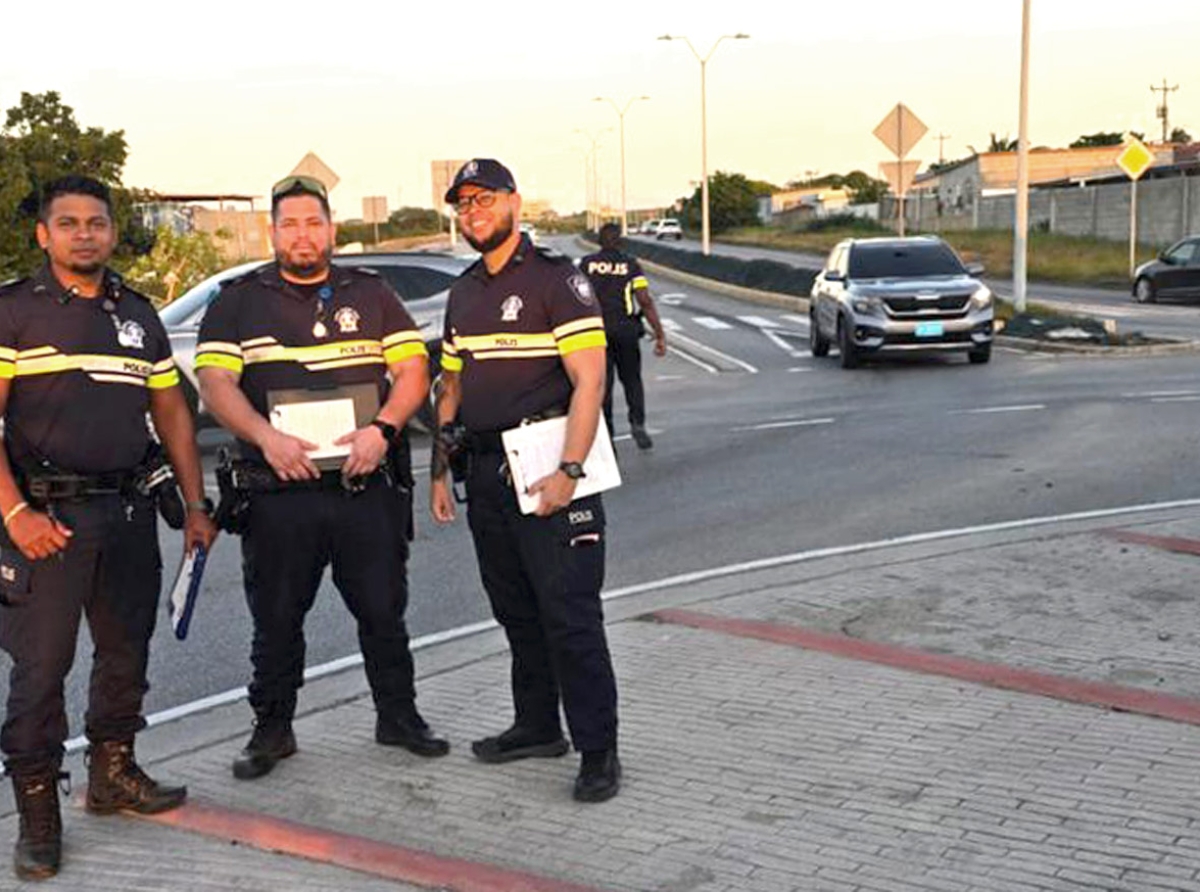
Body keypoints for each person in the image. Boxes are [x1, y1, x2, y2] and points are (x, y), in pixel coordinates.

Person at [0, 175, 217, 881]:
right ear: (45, 234)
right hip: (45, 522)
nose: (85, 233)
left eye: (97, 222)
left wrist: (194, 504)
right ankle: (37, 816)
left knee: (126, 656)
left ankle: (113, 774)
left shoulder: (139, 315)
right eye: (69, 223)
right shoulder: (13, 313)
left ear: (112, 231)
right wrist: (14, 514)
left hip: (126, 514)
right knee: (41, 677)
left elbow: (173, 414)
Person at [195, 175, 447, 783]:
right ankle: (272, 730)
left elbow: (412, 371)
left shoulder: (374, 292)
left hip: (366, 488)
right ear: (273, 231)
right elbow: (215, 385)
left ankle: (399, 717)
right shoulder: (237, 301)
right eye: (289, 224)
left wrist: (384, 429)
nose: (302, 235)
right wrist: (266, 438)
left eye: (313, 222)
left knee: (384, 610)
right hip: (279, 492)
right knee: (277, 618)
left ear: (331, 230)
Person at [430, 159, 621, 803]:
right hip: (485, 472)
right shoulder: (462, 292)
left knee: (570, 616)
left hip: (548, 462)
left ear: (514, 201)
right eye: (463, 203)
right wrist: (438, 469)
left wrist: (570, 470)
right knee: (516, 613)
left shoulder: (556, 282)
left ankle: (598, 750)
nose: (473, 211)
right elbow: (450, 383)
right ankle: (539, 726)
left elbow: (590, 381)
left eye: (484, 198)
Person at [580, 222, 667, 449]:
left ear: (598, 241)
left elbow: (576, 299)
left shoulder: (586, 265)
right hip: (626, 331)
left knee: (603, 386)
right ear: (620, 242)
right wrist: (659, 334)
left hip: (597, 333)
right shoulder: (631, 265)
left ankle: (607, 434)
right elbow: (644, 301)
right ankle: (637, 424)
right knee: (632, 380)